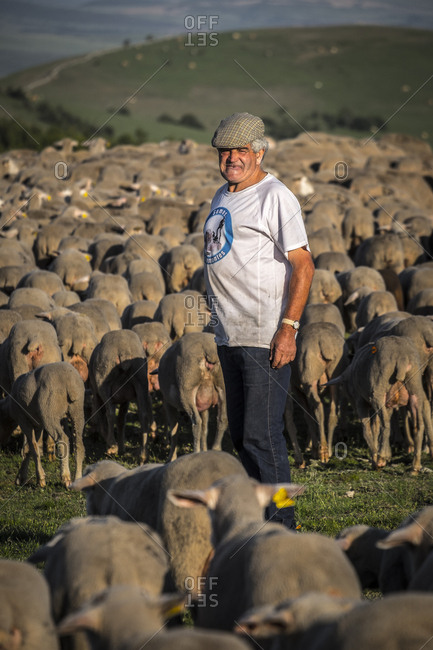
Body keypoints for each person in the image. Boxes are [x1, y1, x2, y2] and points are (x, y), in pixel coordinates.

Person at [203, 112, 315, 529]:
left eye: (241, 150)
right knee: (241, 437)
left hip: (265, 334)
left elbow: (303, 264)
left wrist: (289, 328)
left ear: (260, 151)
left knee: (263, 437)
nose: (232, 157)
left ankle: (282, 526)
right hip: (230, 334)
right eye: (225, 151)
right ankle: (258, 521)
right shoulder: (221, 196)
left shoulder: (276, 196)